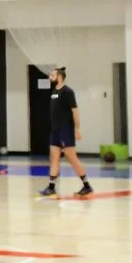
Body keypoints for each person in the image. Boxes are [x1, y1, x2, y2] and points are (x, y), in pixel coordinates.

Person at [41, 66, 92, 198]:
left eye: (52, 76)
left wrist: (77, 129)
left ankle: (87, 186)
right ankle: (51, 187)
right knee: (54, 158)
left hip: (66, 130)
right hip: (55, 130)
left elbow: (75, 111)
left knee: (71, 157)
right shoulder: (54, 91)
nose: (50, 78)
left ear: (59, 77)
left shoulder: (68, 91)